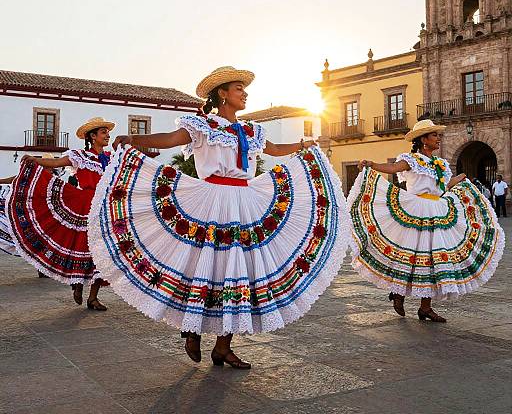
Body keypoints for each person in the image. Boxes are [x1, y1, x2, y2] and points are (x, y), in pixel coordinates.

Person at [88, 66, 352, 369]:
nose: (245, 93)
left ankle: (223, 346)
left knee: (240, 271)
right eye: (239, 88)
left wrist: (302, 146)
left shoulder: (252, 130)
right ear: (223, 93)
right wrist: (136, 139)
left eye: (244, 88)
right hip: (210, 201)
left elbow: (276, 149)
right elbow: (171, 138)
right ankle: (192, 328)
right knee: (204, 266)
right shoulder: (203, 126)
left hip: (245, 201)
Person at [348, 119, 504, 323]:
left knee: (432, 258)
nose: (438, 139)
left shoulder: (440, 164)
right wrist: (372, 165)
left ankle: (425, 307)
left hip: (437, 210)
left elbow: (445, 186)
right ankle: (398, 292)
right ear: (423, 140)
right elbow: (394, 168)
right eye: (434, 136)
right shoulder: (411, 160)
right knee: (409, 253)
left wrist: (461, 178)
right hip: (415, 209)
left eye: (438, 135)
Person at [6, 117, 115, 310]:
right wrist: (35, 160)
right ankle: (77, 283)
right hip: (83, 206)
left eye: (108, 132)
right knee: (81, 246)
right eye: (103, 132)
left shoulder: (111, 158)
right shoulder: (80, 155)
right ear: (92, 136)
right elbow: (58, 163)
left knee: (103, 252)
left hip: (104, 207)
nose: (107, 135)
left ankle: (93, 297)